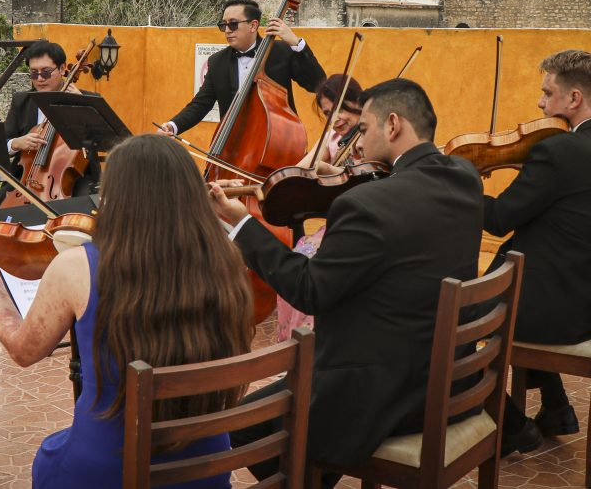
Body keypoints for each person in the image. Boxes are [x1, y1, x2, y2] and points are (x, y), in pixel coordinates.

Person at [209, 78, 484, 483]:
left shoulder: (368, 203)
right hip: (449, 379)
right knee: (260, 422)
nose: (357, 142)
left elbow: (309, 289)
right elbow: (398, 212)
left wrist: (243, 223)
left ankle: (309, 471)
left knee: (241, 428)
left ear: (392, 125)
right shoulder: (463, 176)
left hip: (381, 391)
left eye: (365, 128)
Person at [0, 134, 255, 488]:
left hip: (110, 468)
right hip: (205, 469)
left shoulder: (77, 266)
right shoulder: (227, 260)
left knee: (50, 458)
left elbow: (24, 351)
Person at [486, 49, 591, 454]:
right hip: (582, 298)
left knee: (443, 318)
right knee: (528, 283)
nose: (540, 103)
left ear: (574, 99)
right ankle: (557, 408)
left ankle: (512, 427)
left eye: (548, 93)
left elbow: (499, 218)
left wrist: (455, 186)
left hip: (557, 311)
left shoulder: (558, 151)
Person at [277, 74, 364, 341]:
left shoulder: (372, 134)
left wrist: (332, 170)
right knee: (296, 262)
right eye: (328, 113)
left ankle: (316, 343)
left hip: (363, 223)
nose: (335, 119)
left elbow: (368, 180)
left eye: (340, 110)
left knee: (316, 270)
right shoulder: (333, 137)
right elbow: (304, 166)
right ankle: (294, 345)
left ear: (356, 101)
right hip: (338, 223)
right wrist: (275, 181)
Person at [158, 0, 325, 137]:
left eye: (233, 24)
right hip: (233, 147)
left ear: (253, 25)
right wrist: (173, 126)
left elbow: (317, 83)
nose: (227, 30)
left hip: (279, 143)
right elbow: (200, 104)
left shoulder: (281, 51)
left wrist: (296, 43)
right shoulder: (217, 62)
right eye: (224, 25)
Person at [0, 40, 100, 210]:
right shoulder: (21, 101)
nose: (39, 79)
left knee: (81, 208)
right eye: (33, 73)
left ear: (61, 69)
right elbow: (2, 142)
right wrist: (17, 143)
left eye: (45, 73)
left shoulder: (86, 99)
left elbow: (102, 139)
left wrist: (81, 107)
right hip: (28, 177)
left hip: (76, 178)